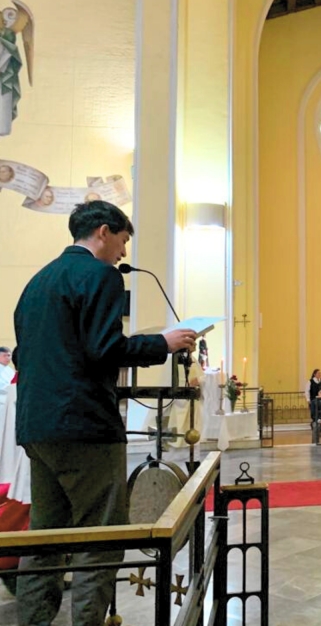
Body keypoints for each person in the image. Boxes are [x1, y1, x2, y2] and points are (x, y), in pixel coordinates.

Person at [12, 200, 197, 626]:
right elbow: (103, 348)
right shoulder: (100, 275)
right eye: (123, 240)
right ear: (102, 231)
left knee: (45, 538)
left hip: (37, 428)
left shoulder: (38, 281)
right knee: (101, 537)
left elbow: (25, 354)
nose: (123, 252)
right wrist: (161, 344)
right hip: (84, 427)